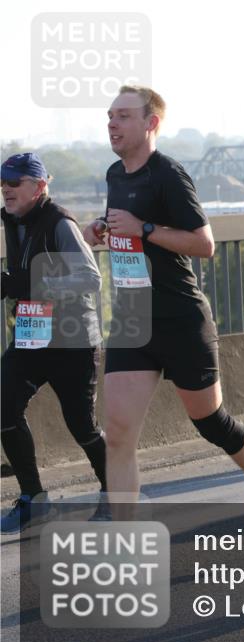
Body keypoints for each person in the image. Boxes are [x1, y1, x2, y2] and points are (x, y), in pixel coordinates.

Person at [81, 85, 244, 536]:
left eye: (123, 116)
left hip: (180, 319)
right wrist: (103, 229)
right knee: (118, 434)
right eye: (110, 115)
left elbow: (203, 244)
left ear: (151, 123)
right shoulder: (115, 175)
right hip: (132, 319)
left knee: (210, 422)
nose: (112, 123)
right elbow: (128, 230)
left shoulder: (169, 174)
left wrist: (144, 228)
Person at [1, 153, 108, 532]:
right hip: (32, 334)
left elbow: (91, 278)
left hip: (72, 340)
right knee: (3, 407)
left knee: (82, 426)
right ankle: (34, 499)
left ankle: (115, 492)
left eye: (15, 182)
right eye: (3, 182)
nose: (6, 189)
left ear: (40, 186)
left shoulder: (60, 223)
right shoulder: (12, 219)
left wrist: (35, 283)